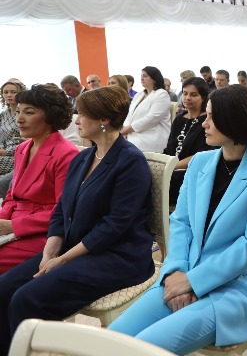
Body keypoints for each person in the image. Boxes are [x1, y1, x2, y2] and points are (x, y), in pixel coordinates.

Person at [109, 85, 247, 354]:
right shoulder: (200, 162)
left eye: (212, 117)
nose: (204, 122)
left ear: (234, 121)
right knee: (112, 339)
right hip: (186, 270)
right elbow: (181, 222)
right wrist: (177, 272)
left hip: (237, 287)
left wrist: (194, 281)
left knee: (144, 348)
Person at [0, 86, 155, 355]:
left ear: (104, 119)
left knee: (27, 299)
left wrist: (62, 259)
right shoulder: (84, 156)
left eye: (82, 114)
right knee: (4, 289)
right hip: (77, 247)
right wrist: (51, 249)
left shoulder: (130, 162)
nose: (76, 120)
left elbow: (113, 227)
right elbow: (61, 208)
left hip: (116, 257)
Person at [0, 84, 78, 274]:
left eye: (29, 112)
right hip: (11, 225)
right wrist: (3, 219)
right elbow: (11, 195)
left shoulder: (66, 154)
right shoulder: (22, 148)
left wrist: (13, 225)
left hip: (43, 234)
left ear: (51, 116)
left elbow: (65, 211)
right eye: (18, 112)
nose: (19, 119)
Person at [163, 77, 212, 205]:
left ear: (203, 97)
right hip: (171, 170)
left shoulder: (207, 121)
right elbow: (169, 148)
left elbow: (203, 155)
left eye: (193, 95)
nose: (187, 98)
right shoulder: (179, 118)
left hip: (192, 173)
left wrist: (170, 167)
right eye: (185, 93)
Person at [121, 66, 171, 153]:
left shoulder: (162, 94)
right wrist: (124, 130)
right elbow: (129, 115)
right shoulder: (139, 95)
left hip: (149, 137)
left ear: (154, 78)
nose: (142, 78)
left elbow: (153, 118)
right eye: (141, 76)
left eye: (145, 76)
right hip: (131, 135)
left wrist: (127, 129)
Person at [0, 80, 25, 176]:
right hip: (3, 152)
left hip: (19, 154)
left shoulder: (25, 114)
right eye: (6, 92)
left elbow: (29, 141)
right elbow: (2, 138)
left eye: (13, 92)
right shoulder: (3, 115)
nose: (9, 95)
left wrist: (6, 152)